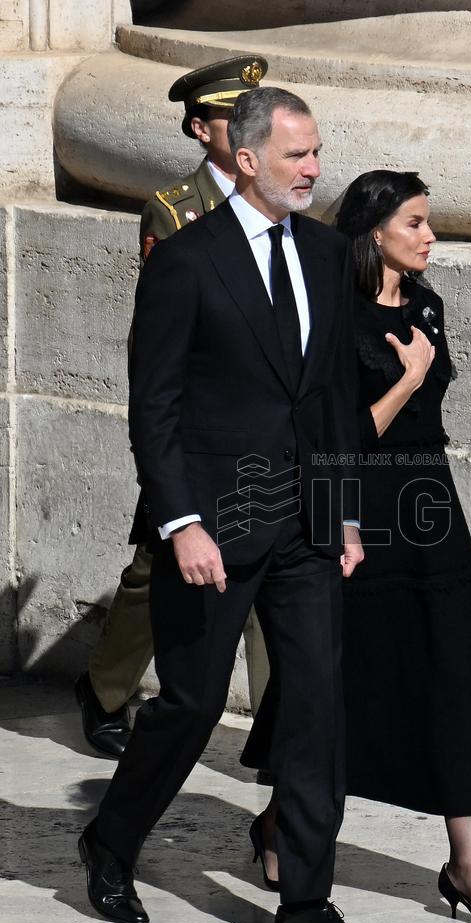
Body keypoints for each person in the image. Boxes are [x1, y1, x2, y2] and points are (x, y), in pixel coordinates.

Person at [77, 87, 391, 923]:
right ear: (246, 159)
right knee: (190, 704)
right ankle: (110, 840)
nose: (314, 169)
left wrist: (346, 516)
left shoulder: (330, 255)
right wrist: (181, 523)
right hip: (211, 523)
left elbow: (331, 395)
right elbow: (156, 407)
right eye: (297, 155)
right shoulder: (185, 259)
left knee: (316, 712)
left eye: (317, 152)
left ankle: (306, 903)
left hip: (307, 528)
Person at [243, 169, 471, 923]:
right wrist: (405, 382)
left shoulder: (428, 305)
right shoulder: (335, 317)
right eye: (414, 223)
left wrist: (416, 388)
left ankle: (465, 865)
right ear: (374, 233)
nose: (429, 236)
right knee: (344, 681)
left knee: (457, 674)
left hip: (429, 506)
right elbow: (336, 438)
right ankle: (280, 822)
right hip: (358, 509)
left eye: (428, 221)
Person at [75, 56, 272, 758]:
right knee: (157, 569)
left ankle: (275, 729)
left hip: (268, 425)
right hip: (195, 425)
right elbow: (162, 340)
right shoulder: (176, 210)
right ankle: (104, 688)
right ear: (200, 128)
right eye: (230, 113)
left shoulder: (281, 201)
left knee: (266, 573)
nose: (250, 120)